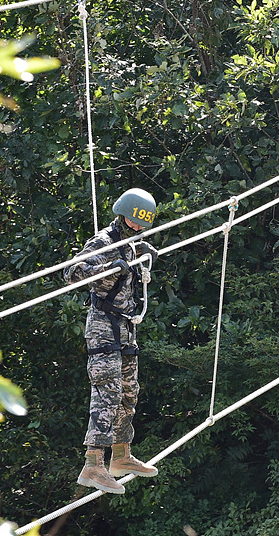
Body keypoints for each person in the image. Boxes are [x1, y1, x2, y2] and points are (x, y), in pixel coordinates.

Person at [64, 188, 161, 494]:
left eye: (141, 224)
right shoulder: (103, 242)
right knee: (108, 390)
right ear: (122, 214)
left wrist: (143, 252)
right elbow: (71, 273)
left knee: (129, 392)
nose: (136, 227)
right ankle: (93, 464)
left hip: (126, 328)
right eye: (133, 222)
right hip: (103, 327)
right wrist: (103, 268)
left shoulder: (133, 244)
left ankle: (121, 456)